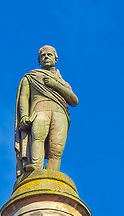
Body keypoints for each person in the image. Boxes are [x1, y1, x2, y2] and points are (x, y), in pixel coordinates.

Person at [15, 45, 78, 177]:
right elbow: (24, 97)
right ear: (39, 61)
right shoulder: (31, 77)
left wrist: (55, 85)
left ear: (56, 59)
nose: (46, 57)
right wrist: (24, 115)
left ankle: (52, 176)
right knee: (38, 137)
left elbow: (74, 100)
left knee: (57, 148)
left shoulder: (62, 81)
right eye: (43, 56)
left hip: (60, 112)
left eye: (49, 55)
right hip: (39, 110)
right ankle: (36, 168)